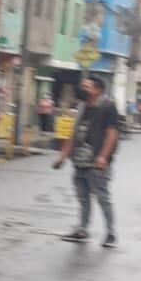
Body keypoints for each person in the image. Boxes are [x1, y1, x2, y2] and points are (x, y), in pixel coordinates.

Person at [54, 75, 121, 247]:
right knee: (83, 198)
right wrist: (62, 157)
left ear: (98, 89)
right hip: (80, 161)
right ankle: (82, 229)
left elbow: (112, 133)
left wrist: (103, 156)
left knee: (102, 198)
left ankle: (111, 233)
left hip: (97, 163)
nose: (83, 89)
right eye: (83, 85)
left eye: (87, 86)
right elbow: (73, 134)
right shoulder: (82, 107)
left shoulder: (108, 107)